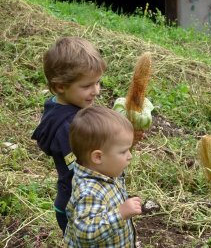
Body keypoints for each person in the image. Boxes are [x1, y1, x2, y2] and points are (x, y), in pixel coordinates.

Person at [31, 37, 106, 234]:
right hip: (77, 207)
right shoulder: (68, 128)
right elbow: (83, 169)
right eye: (87, 86)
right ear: (59, 87)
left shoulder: (60, 106)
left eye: (98, 82)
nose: (96, 91)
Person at [64, 106, 141, 247]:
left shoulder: (105, 171)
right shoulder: (88, 192)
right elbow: (85, 233)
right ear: (98, 157)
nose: (130, 156)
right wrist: (120, 214)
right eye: (124, 151)